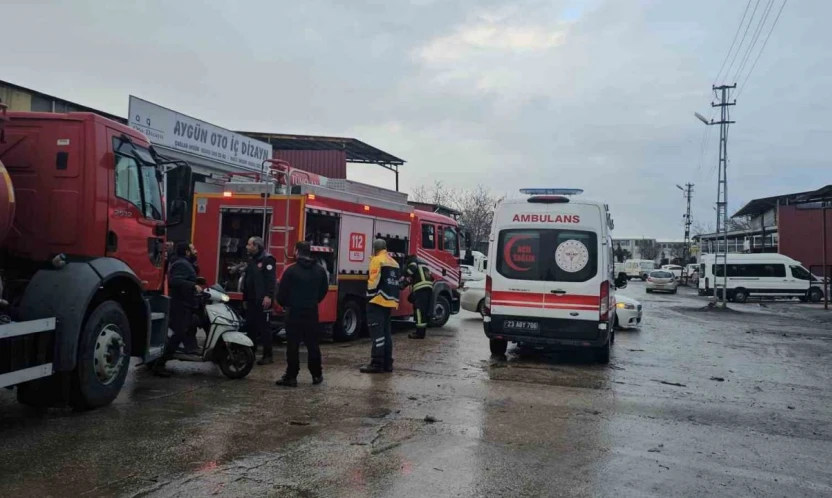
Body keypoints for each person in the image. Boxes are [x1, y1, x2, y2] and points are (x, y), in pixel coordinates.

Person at [274, 241, 329, 387]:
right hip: (311, 311)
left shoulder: (291, 270)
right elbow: (324, 289)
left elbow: (281, 293)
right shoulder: (319, 270)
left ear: (296, 251)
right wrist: (314, 301)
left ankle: (291, 376)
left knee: (292, 345)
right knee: (313, 344)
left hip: (294, 312)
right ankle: (317, 375)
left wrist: (286, 304)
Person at [154, 242, 201, 377]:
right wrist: (193, 286)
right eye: (193, 249)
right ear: (186, 252)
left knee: (195, 321)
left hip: (185, 304)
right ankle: (160, 364)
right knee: (179, 333)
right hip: (179, 305)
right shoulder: (181, 264)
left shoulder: (185, 262)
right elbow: (175, 281)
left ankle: (191, 347)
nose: (195, 251)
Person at [360, 239, 401, 374]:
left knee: (376, 333)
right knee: (386, 334)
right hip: (389, 302)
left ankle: (376, 363)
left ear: (375, 249)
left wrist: (368, 298)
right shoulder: (394, 262)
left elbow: (373, 281)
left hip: (377, 301)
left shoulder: (377, 260)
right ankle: (387, 363)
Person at [243, 236, 277, 365]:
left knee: (265, 328)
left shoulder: (267, 260)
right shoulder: (252, 260)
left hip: (263, 300)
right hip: (252, 299)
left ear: (256, 246)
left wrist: (268, 296)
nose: (247, 247)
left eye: (249, 244)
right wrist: (245, 298)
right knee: (251, 326)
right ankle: (250, 352)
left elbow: (271, 280)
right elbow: (249, 280)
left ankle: (268, 355)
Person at [403, 255, 434, 339]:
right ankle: (421, 331)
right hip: (428, 289)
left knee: (419, 310)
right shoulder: (424, 264)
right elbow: (432, 277)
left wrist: (404, 274)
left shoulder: (413, 261)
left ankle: (419, 333)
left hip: (420, 289)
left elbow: (411, 270)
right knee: (422, 309)